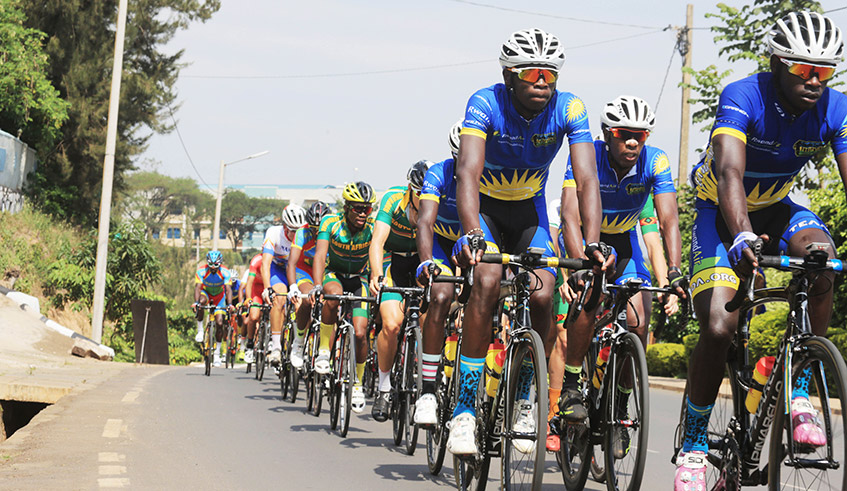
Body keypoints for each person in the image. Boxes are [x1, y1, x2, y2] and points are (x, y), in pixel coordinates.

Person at [676, 11, 847, 490]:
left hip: (777, 207)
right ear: (775, 62)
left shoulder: (836, 108)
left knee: (823, 259)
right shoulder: (742, 94)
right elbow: (730, 173)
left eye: (825, 71)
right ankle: (692, 442)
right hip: (721, 211)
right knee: (719, 326)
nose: (815, 81)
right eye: (803, 69)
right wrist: (742, 236)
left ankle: (799, 389)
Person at [449, 27, 608, 456]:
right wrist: (471, 233)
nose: (542, 82)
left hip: (529, 212)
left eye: (550, 74)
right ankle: (464, 408)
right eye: (532, 73)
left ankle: (524, 396)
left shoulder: (570, 107)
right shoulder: (485, 102)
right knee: (484, 282)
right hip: (486, 211)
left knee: (545, 292)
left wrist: (592, 242)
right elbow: (467, 171)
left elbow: (587, 178)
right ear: (509, 75)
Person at [558, 96, 687, 459]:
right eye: (623, 134)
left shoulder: (656, 161)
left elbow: (668, 221)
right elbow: (570, 215)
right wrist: (578, 262)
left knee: (638, 321)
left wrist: (674, 271)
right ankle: (570, 384)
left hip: (624, 242)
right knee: (590, 297)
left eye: (640, 136)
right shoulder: (587, 156)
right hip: (586, 236)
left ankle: (619, 406)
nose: (632, 142)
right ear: (606, 134)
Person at [368, 161, 429, 421]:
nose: (424, 198)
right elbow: (378, 242)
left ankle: (424, 381)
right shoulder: (393, 200)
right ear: (410, 188)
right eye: (419, 192)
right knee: (392, 325)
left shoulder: (438, 202)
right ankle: (383, 388)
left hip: (421, 262)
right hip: (393, 262)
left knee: (429, 322)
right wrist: (376, 274)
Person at [310, 182, 377, 414]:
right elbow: (319, 255)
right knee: (333, 296)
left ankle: (357, 383)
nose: (362, 214)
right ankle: (324, 351)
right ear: (347, 207)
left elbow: (381, 255)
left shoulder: (372, 229)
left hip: (360, 279)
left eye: (366, 209)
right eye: (357, 208)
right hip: (334, 275)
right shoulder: (331, 223)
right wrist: (318, 285)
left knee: (360, 332)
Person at [414, 121, 463, 427]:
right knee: (442, 295)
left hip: (477, 242)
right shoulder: (439, 174)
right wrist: (426, 261)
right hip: (443, 243)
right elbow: (425, 222)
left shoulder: (494, 175)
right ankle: (429, 391)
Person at [286, 201, 331, 368]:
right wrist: (292, 287)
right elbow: (291, 263)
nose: (317, 232)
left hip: (325, 272)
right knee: (306, 300)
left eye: (320, 229)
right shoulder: (302, 233)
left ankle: (328, 356)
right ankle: (298, 341)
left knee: (331, 308)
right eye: (313, 228)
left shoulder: (333, 230)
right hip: (305, 272)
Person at [261, 203, 307, 365]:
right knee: (279, 299)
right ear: (284, 226)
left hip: (296, 272)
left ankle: (302, 345)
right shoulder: (273, 233)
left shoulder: (305, 234)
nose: (296, 234)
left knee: (303, 303)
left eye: (299, 230)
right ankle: (276, 348)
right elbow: (265, 263)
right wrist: (267, 289)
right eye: (292, 230)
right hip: (278, 271)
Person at [192, 250, 234, 367]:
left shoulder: (225, 272)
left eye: (216, 266)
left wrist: (230, 304)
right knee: (201, 303)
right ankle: (200, 330)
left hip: (219, 297)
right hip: (206, 293)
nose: (213, 268)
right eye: (211, 265)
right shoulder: (201, 271)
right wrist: (196, 303)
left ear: (220, 264)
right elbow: (198, 288)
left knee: (220, 323)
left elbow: (228, 289)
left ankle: (217, 353)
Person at [242, 252, 266, 364]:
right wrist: (248, 298)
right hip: (257, 290)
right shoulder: (256, 260)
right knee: (254, 315)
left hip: (269, 288)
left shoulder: (278, 259)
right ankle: (250, 345)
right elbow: (249, 282)